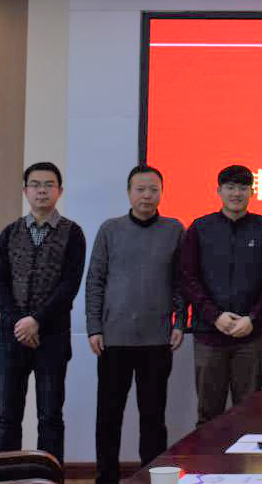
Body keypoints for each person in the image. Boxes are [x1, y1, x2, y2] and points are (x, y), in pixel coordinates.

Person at [86, 165, 186, 484]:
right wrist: (94, 327)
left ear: (162, 192)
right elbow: (95, 281)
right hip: (113, 340)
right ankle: (106, 477)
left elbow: (181, 282)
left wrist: (180, 322)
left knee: (153, 418)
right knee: (108, 417)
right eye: (140, 189)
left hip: (157, 340)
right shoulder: (110, 230)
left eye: (153, 189)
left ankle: (153, 477)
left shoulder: (174, 230)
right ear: (129, 193)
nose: (147, 195)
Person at [0, 161, 86, 463]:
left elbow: (69, 286)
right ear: (25, 191)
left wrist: (37, 321)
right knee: (7, 417)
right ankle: (7, 479)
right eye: (35, 185)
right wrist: (20, 322)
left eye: (48, 185)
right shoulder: (9, 233)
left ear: (60, 191)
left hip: (53, 338)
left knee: (50, 417)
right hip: (11, 337)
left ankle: (48, 479)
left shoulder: (73, 234)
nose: (42, 191)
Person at [181, 164, 262, 425]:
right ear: (219, 191)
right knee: (208, 415)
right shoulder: (200, 228)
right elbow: (188, 278)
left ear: (252, 192)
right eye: (230, 187)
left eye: (243, 188)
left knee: (249, 414)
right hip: (209, 334)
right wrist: (215, 316)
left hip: (251, 335)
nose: (236, 193)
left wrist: (253, 317)